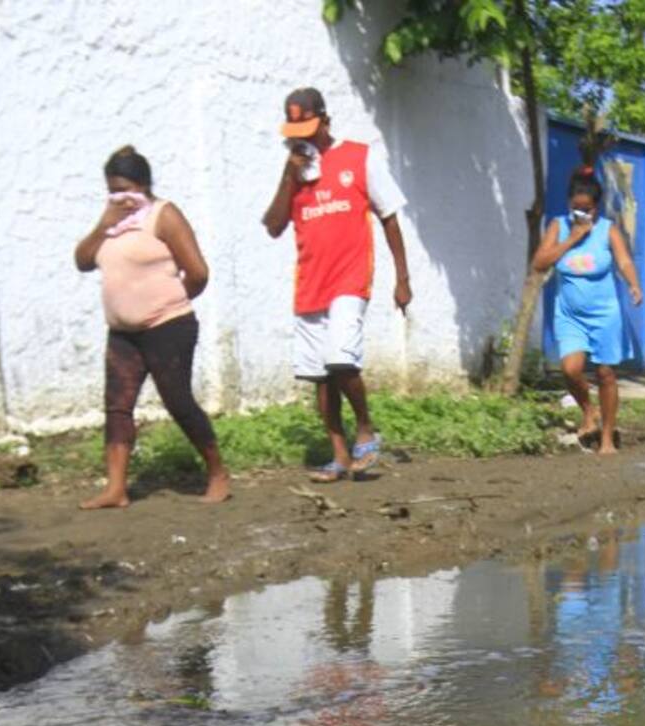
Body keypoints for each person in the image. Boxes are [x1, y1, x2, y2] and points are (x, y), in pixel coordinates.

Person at [261, 87, 411, 482]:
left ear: (326, 122)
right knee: (320, 378)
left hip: (350, 276)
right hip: (310, 283)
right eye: (296, 130)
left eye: (309, 128)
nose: (303, 136)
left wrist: (403, 278)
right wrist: (288, 176)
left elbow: (389, 216)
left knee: (341, 360)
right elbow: (274, 226)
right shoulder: (294, 169)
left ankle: (365, 427)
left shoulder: (360, 156)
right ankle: (340, 456)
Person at [74, 146, 229, 508]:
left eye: (126, 188)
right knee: (117, 405)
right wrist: (104, 223)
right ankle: (116, 489)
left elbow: (199, 272)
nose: (120, 197)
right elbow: (82, 261)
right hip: (123, 332)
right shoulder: (111, 225)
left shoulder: (164, 215)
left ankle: (218, 472)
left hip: (167, 325)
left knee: (177, 399)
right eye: (113, 190)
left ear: (143, 185)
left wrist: (170, 301)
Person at [532, 169, 642, 456]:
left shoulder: (608, 230)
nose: (581, 214)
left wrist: (634, 285)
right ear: (569, 203)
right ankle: (588, 410)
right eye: (576, 208)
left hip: (604, 314)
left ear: (597, 207)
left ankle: (606, 438)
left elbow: (624, 261)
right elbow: (540, 262)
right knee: (570, 369)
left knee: (606, 373)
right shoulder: (558, 227)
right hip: (569, 315)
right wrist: (573, 238)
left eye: (587, 209)